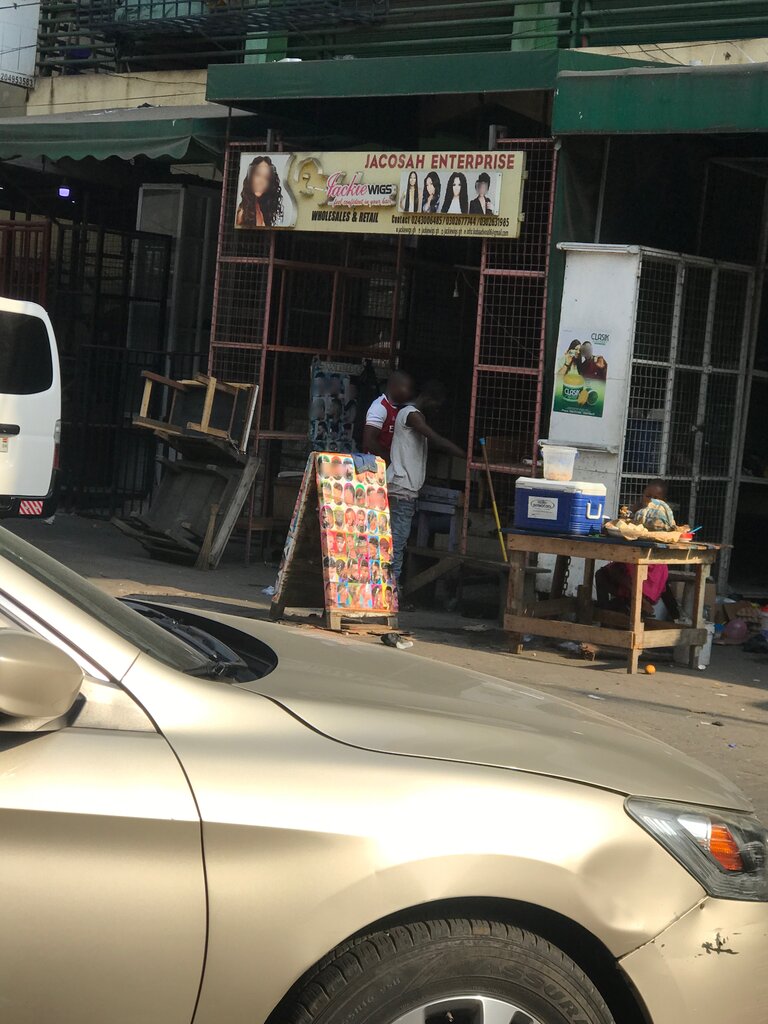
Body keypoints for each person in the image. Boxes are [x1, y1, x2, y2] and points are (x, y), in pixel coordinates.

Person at [387, 381, 465, 583]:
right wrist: (466, 456)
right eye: (437, 405)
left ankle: (391, 589)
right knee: (396, 543)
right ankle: (392, 592)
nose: (438, 410)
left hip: (403, 487)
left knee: (396, 541)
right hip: (401, 487)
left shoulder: (411, 414)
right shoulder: (412, 414)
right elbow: (436, 439)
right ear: (429, 399)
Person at [595, 481, 678, 616]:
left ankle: (638, 600)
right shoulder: (638, 511)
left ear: (664, 501)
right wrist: (630, 513)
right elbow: (624, 523)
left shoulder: (664, 517)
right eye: (648, 496)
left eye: (656, 498)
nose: (651, 501)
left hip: (652, 563)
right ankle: (607, 615)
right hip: (632, 559)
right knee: (603, 574)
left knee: (614, 573)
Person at [363, 370, 414, 462]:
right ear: (393, 386)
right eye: (406, 388)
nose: (409, 393)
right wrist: (390, 461)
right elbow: (369, 441)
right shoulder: (380, 407)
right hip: (376, 465)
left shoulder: (400, 408)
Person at [236, 156, 284, 228]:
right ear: (251, 176)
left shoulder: (260, 209)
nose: (261, 181)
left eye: (266, 178)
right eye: (258, 175)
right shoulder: (242, 213)